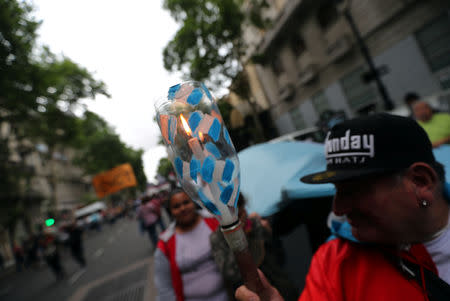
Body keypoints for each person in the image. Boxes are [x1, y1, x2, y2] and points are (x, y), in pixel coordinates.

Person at [235, 113, 450, 301]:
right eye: (336, 190)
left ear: (420, 182)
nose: (337, 209)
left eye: (354, 190)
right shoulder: (335, 264)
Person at [210, 194, 298, 300]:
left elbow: (279, 257)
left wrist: (268, 233)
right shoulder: (217, 238)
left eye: (239, 215)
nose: (237, 221)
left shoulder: (256, 224)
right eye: (231, 218)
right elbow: (230, 273)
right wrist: (238, 237)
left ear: (244, 209)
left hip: (279, 286)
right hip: (248, 293)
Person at [154, 188, 229, 301]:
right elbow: (164, 288)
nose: (183, 208)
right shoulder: (165, 244)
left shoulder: (215, 221)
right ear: (170, 212)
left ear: (194, 202)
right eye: (176, 206)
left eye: (186, 202)